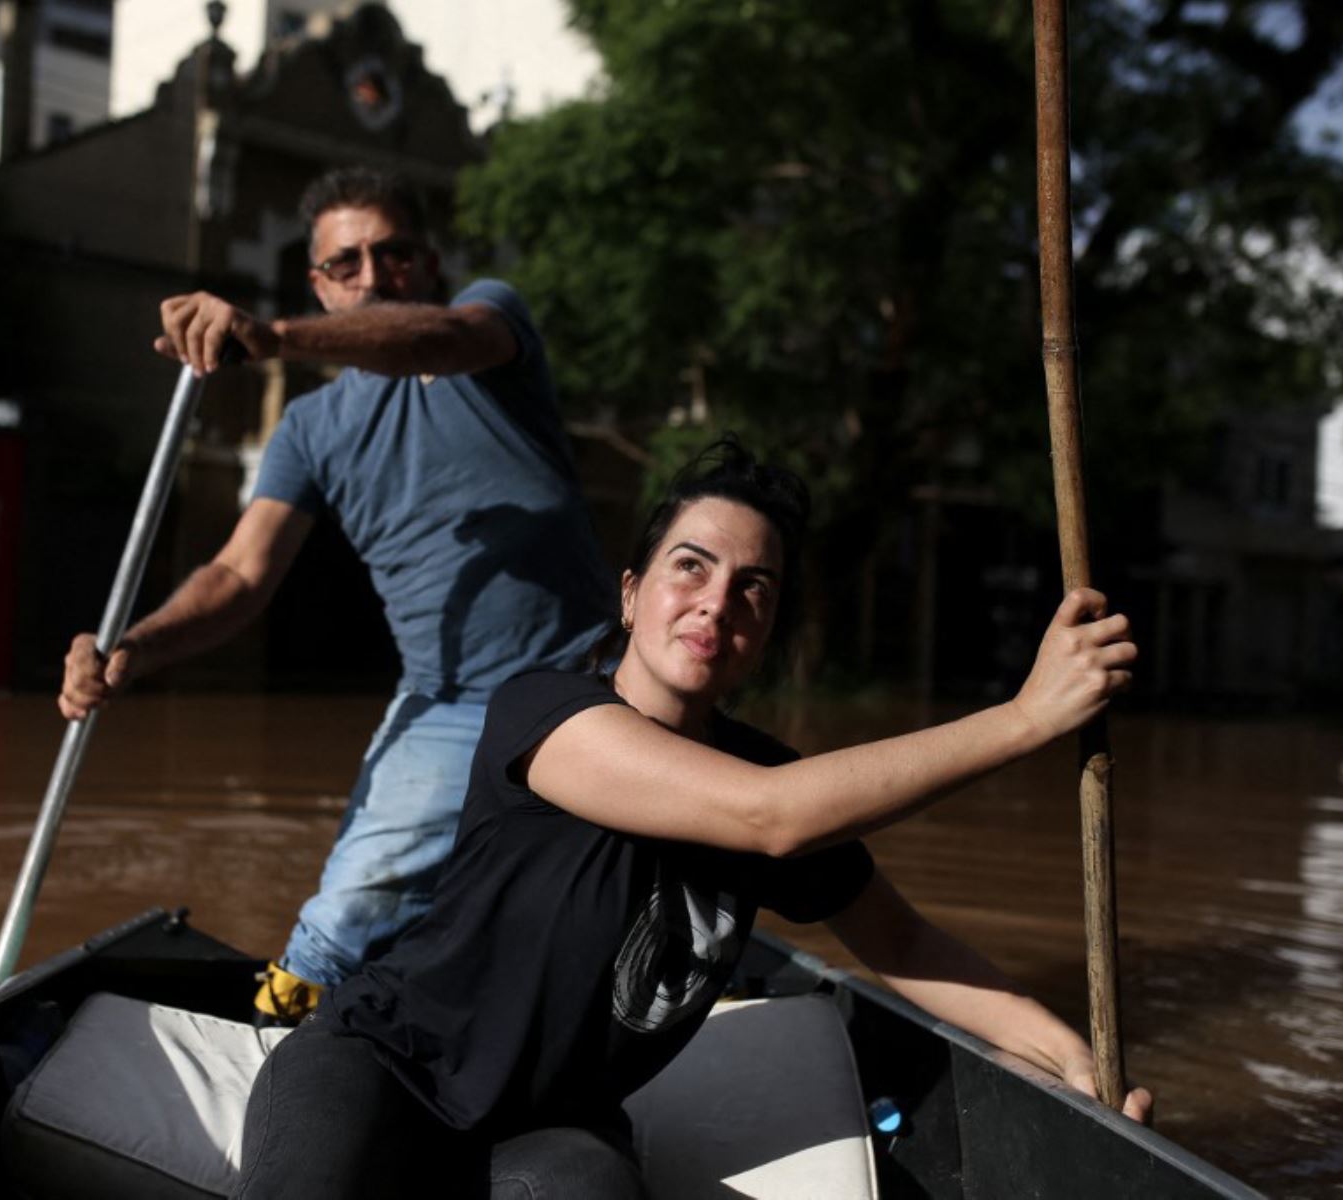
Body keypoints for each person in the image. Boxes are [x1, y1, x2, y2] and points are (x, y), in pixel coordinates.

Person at [233, 439, 1152, 1199]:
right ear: (631, 595)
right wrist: (1027, 719)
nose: (718, 601)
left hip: (550, 1127)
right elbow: (768, 819)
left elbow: (903, 941)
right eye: (692, 566)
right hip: (385, 1066)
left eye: (754, 586)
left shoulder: (767, 773)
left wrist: (1071, 1059)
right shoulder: (543, 712)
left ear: (767, 632)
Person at [58, 167, 614, 1022]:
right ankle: (289, 1056)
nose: (370, 276)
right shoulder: (310, 432)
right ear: (319, 282)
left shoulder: (483, 330)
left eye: (392, 255)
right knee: (341, 926)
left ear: (428, 265)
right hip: (448, 702)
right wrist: (134, 647)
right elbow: (239, 576)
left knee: (648, 886)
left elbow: (439, 338)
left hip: (592, 678)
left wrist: (275, 337)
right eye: (345, 263)